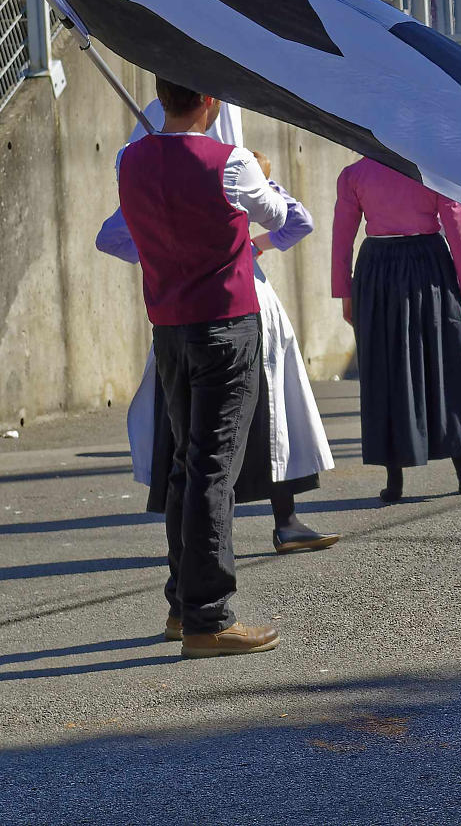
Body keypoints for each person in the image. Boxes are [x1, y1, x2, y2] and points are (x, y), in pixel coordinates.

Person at [99, 113, 340, 561]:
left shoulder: (145, 169)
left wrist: (162, 254)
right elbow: (293, 218)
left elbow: (111, 237)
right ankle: (230, 555)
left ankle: (196, 566)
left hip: (180, 310)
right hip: (233, 307)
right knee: (239, 429)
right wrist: (255, 222)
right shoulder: (228, 167)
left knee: (201, 442)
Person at [115, 78, 287, 659]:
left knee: (187, 467)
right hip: (225, 322)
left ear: (162, 98)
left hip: (169, 324)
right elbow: (279, 215)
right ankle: (208, 616)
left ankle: (181, 604)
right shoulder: (231, 161)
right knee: (213, 468)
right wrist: (266, 185)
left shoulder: (130, 159)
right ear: (211, 102)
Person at [332, 159, 461, 502]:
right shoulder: (433, 169)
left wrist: (345, 291)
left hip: (377, 269)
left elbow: (342, 235)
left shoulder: (353, 174)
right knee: (444, 361)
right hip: (427, 263)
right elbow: (457, 226)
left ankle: (394, 481)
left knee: (386, 367)